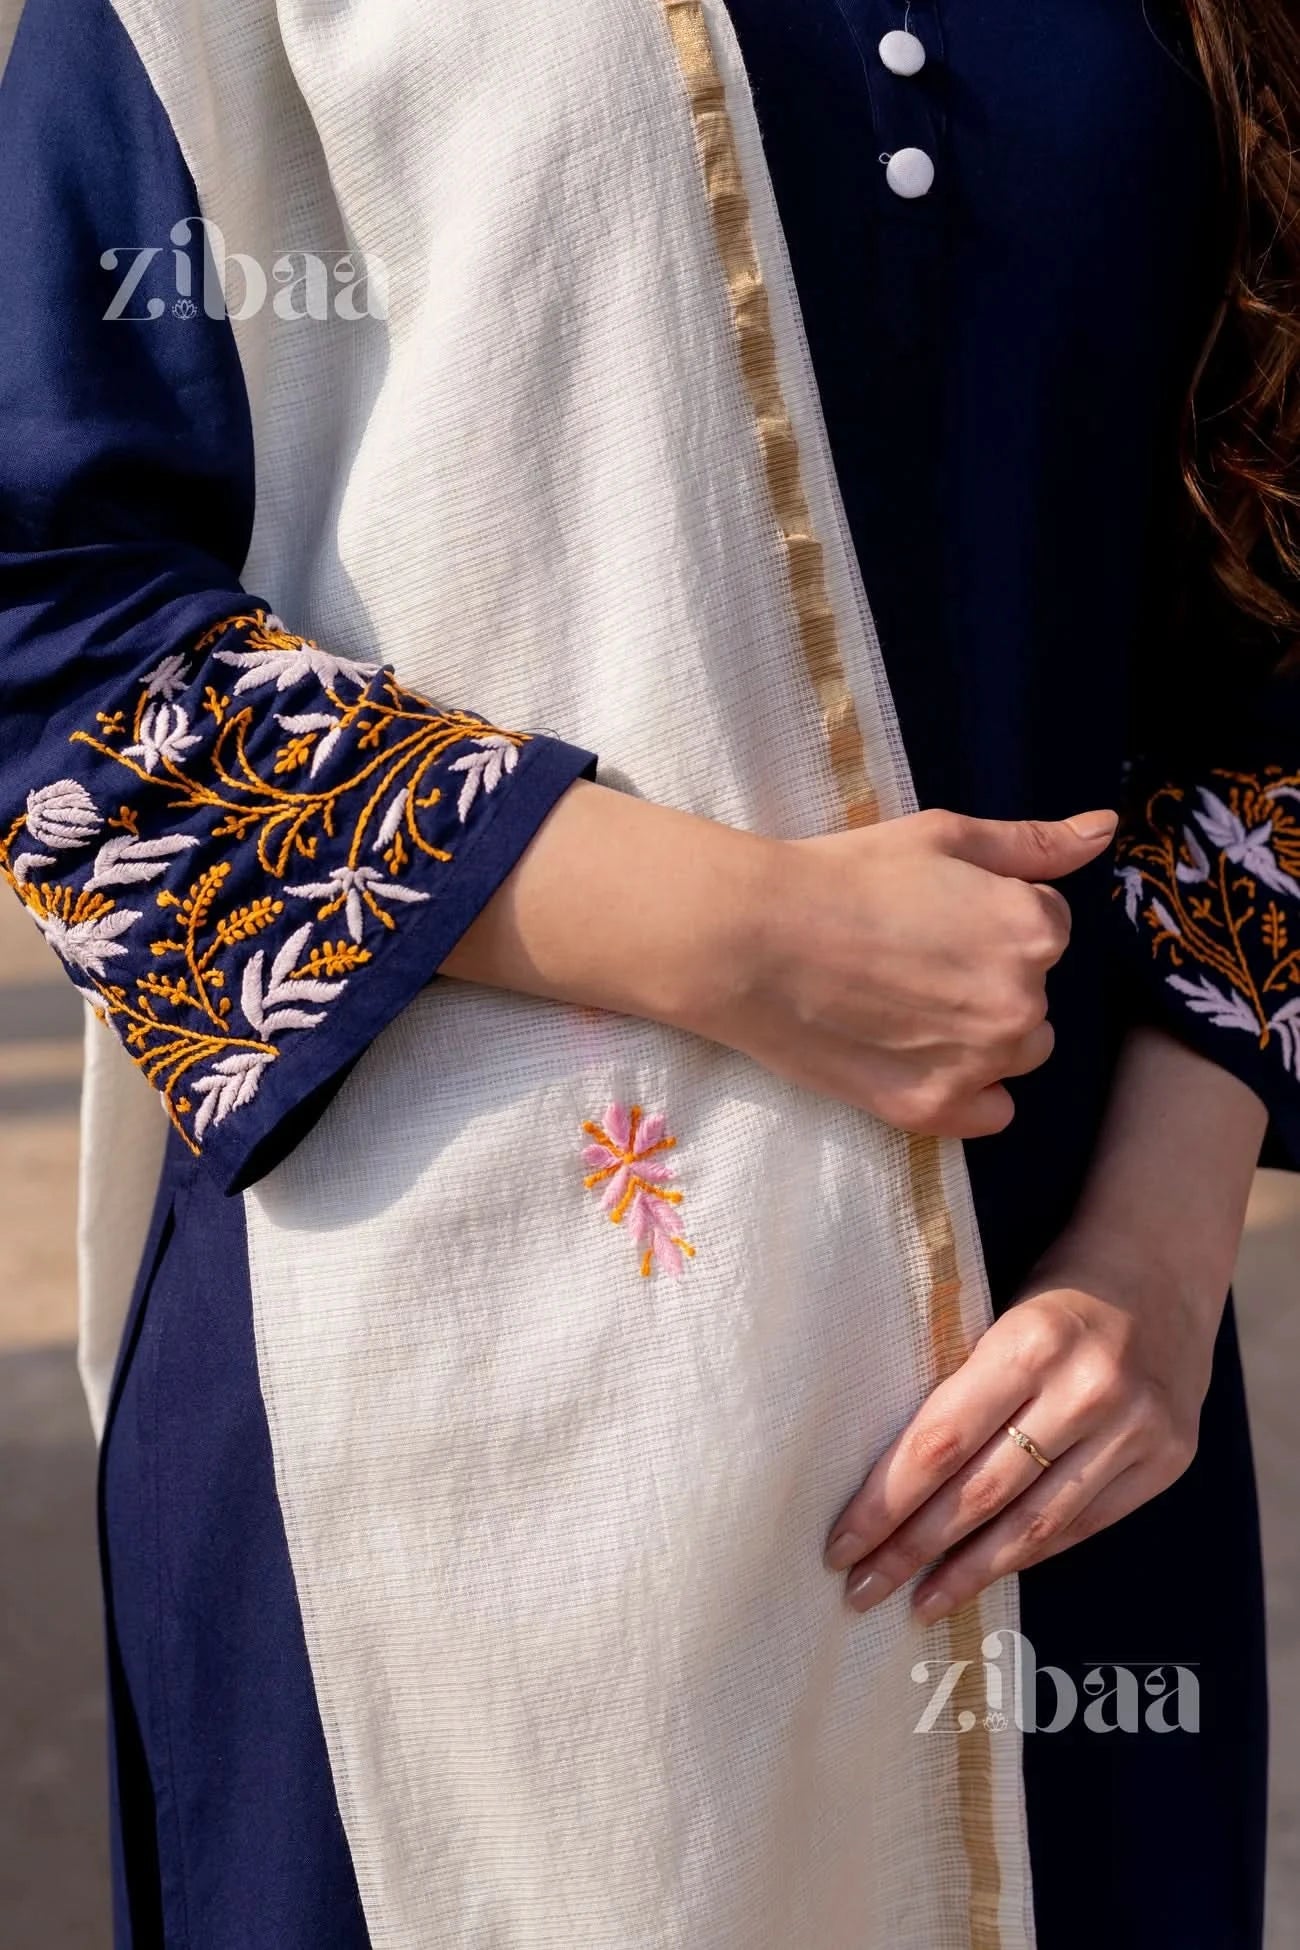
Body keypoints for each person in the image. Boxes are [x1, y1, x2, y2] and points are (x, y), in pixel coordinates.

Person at [0, 0, 1295, 1943]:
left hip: (1058, 1423)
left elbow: (1265, 597)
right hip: (435, 1426)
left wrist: (1157, 1252)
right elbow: (56, 619)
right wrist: (744, 937)